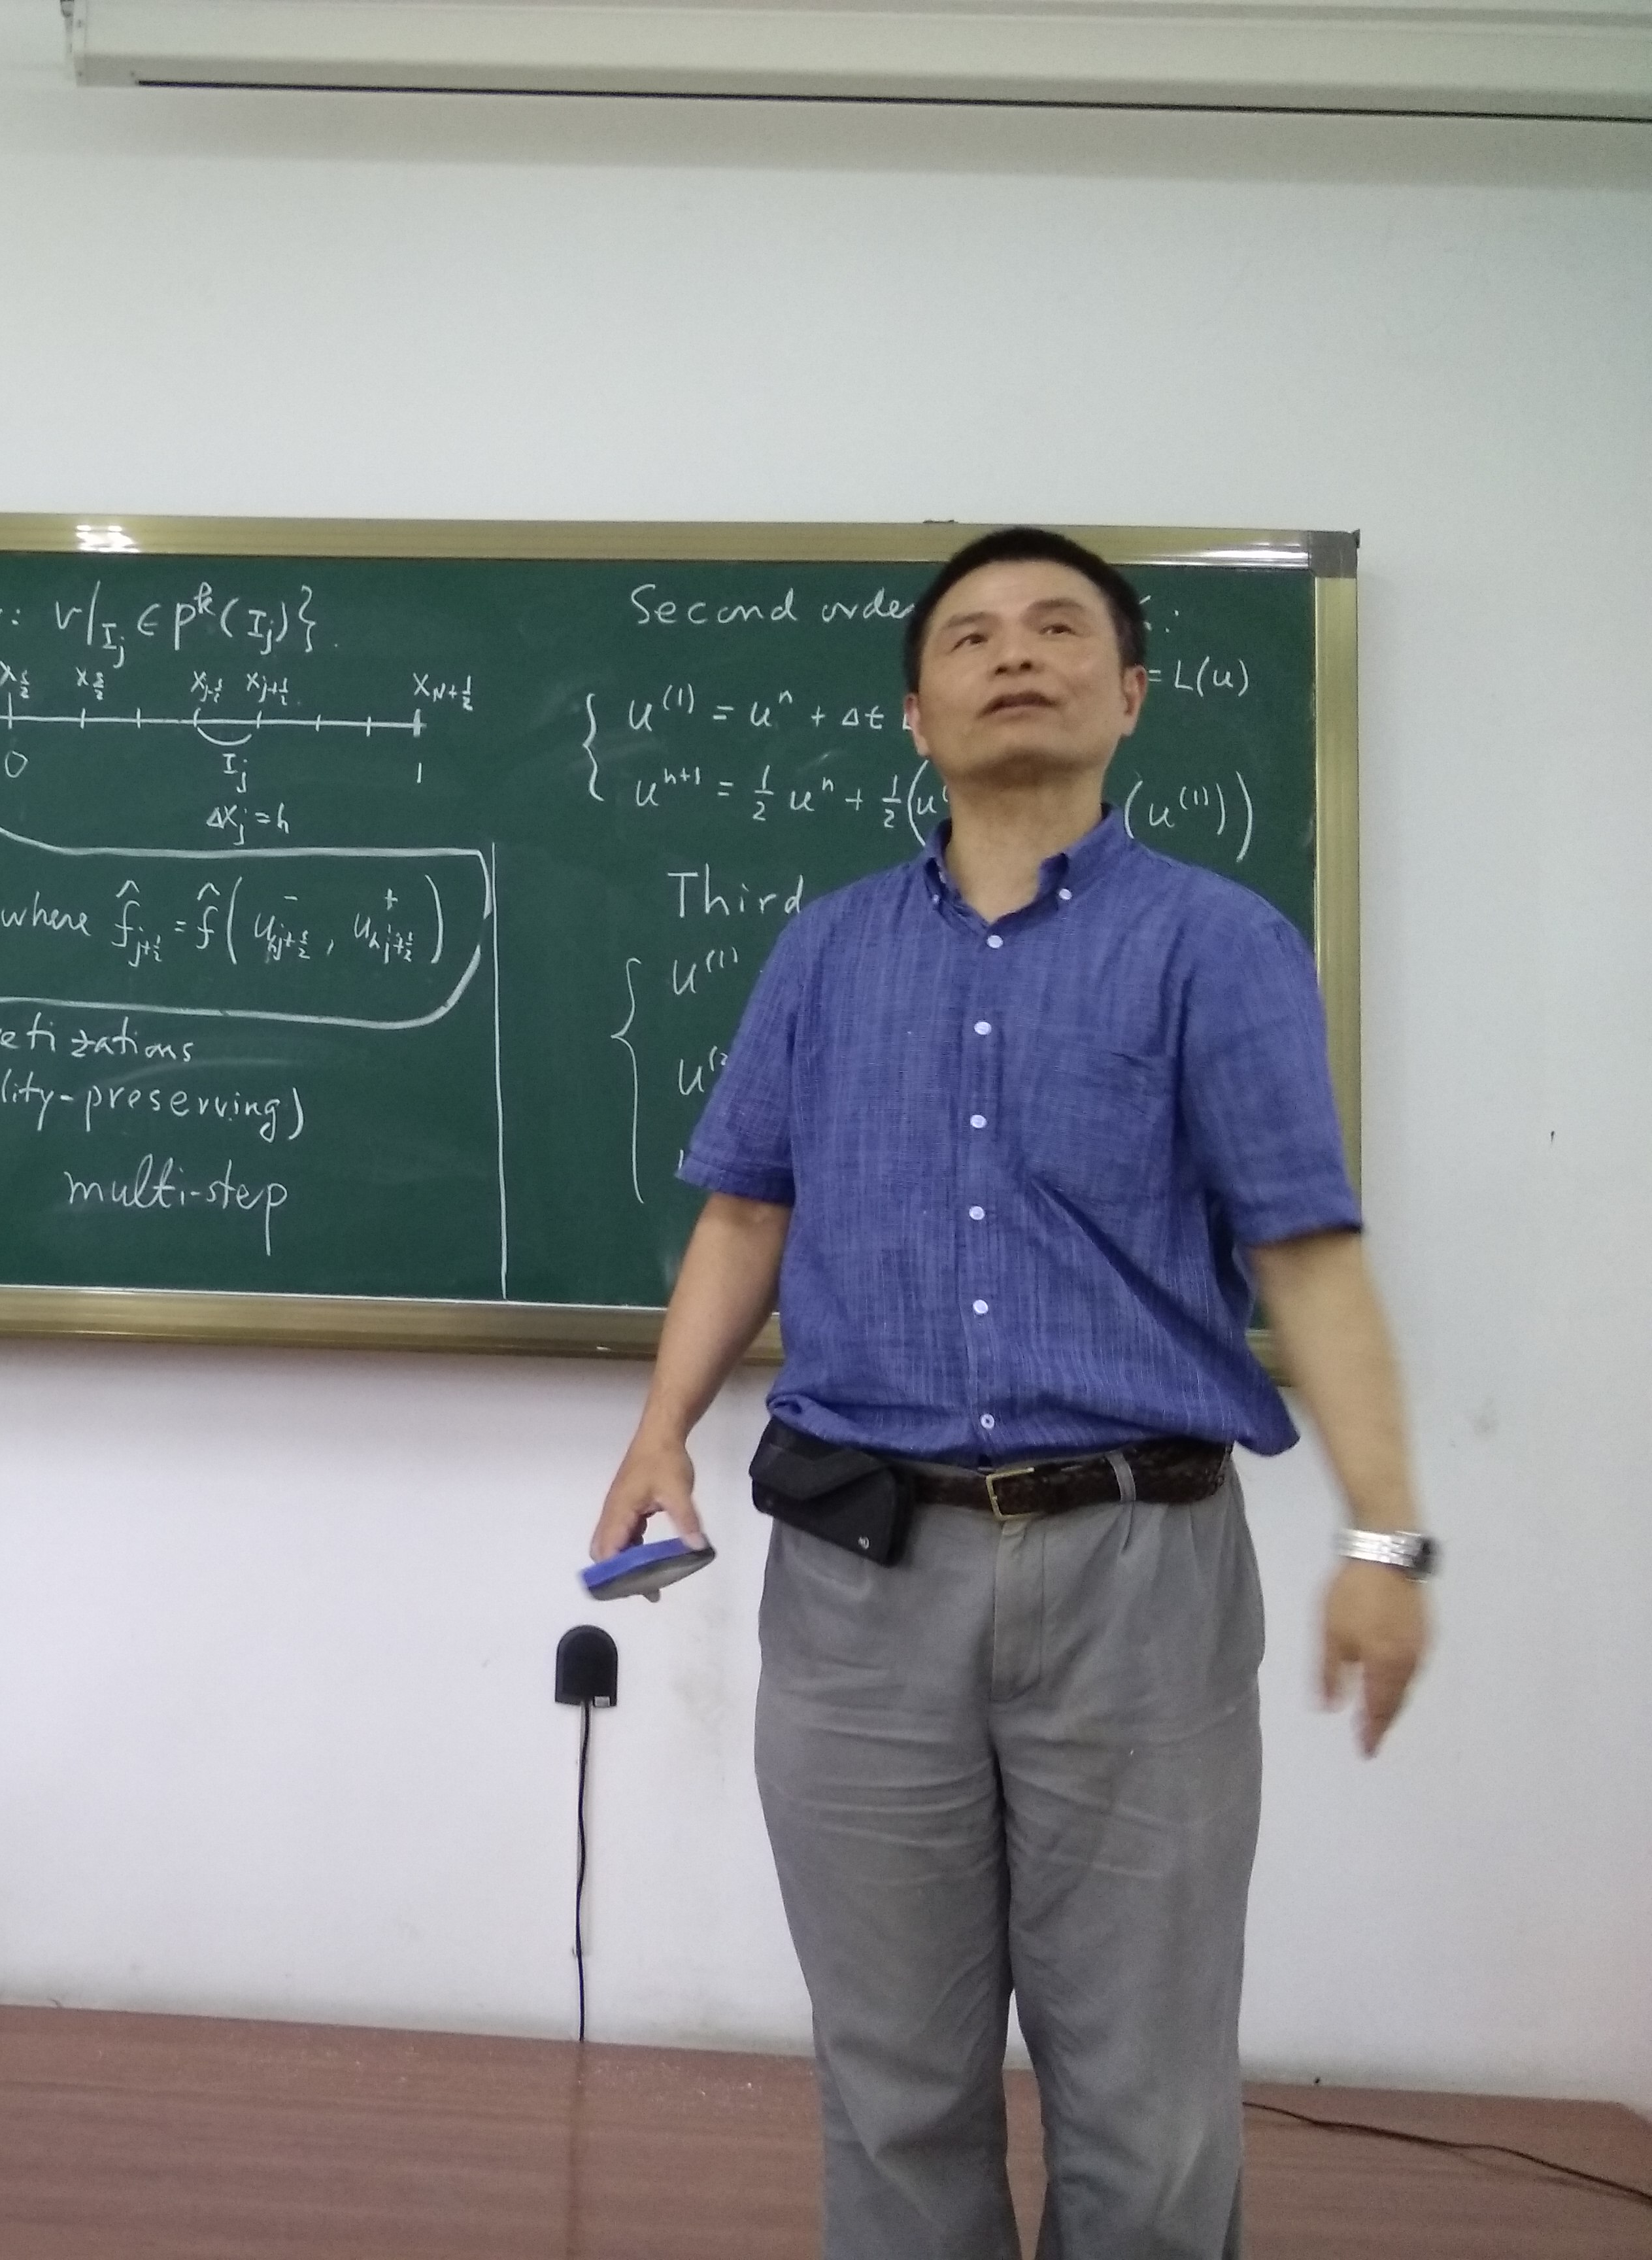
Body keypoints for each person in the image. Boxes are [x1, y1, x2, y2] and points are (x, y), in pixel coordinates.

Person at [592, 526, 1432, 2260]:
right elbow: (746, 1211)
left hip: (1138, 1573)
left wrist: (1386, 1539)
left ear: (1132, 695)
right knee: (893, 2084)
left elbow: (1306, 1250)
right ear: (918, 714)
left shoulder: (1220, 945)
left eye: (1061, 627)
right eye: (971, 637)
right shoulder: (826, 953)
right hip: (861, 1581)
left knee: (1146, 2096)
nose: (1017, 654)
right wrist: (659, 1431)